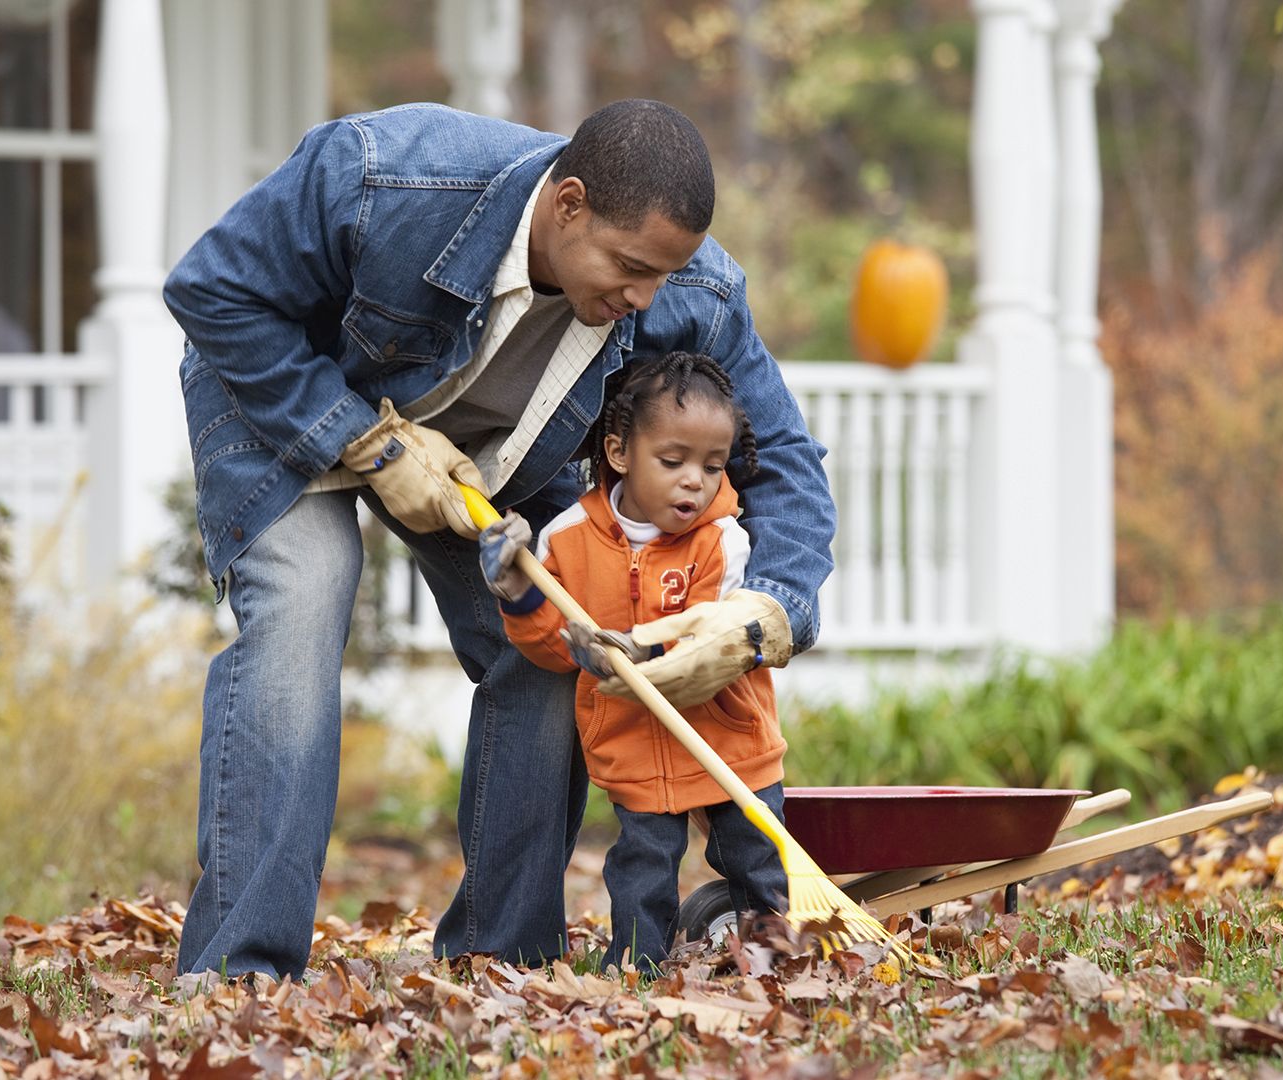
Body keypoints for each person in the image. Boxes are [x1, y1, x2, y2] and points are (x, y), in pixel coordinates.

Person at [163, 98, 835, 981]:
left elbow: (782, 453)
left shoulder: (693, 291)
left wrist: (767, 615)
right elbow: (211, 287)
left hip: (498, 459)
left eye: (662, 277)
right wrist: (361, 438)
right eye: (630, 267)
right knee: (304, 599)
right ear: (568, 205)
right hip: (285, 398)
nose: (645, 299)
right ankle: (239, 971)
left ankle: (498, 957)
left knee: (559, 644)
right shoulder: (380, 174)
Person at [477, 352, 788, 972]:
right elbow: (550, 648)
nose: (694, 481)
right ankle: (637, 966)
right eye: (672, 461)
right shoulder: (565, 539)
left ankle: (775, 960)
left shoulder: (721, 539)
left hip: (728, 740)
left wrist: (640, 647)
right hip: (635, 747)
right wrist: (518, 592)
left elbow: (704, 635)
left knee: (756, 857)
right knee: (642, 866)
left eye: (712, 465)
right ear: (619, 453)